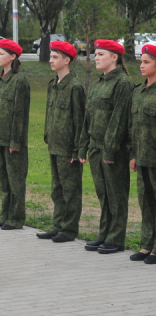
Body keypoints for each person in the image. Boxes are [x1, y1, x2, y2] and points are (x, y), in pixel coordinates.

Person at [80, 39, 134, 254]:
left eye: (101, 54)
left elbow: (119, 121)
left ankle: (116, 238)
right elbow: (88, 117)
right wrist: (84, 145)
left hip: (113, 150)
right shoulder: (99, 82)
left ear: (115, 57)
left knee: (116, 195)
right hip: (96, 147)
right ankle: (104, 233)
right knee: (103, 194)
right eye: (96, 54)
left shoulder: (123, 83)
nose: (96, 57)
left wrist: (110, 150)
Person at [38, 41, 85, 243]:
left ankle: (69, 229)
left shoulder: (75, 87)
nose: (51, 60)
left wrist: (78, 150)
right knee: (57, 189)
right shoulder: (53, 85)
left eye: (55, 57)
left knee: (70, 190)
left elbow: (80, 120)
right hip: (55, 145)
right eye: (51, 56)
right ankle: (57, 225)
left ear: (67, 60)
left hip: (69, 148)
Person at [0, 39, 30, 230]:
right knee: (4, 179)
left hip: (13, 140)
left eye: (2, 53)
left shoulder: (19, 81)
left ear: (13, 57)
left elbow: (20, 115)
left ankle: (16, 217)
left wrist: (15, 141)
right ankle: (5, 215)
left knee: (15, 180)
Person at [130, 44, 156, 264]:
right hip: (143, 156)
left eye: (147, 62)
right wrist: (133, 154)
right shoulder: (138, 91)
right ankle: (147, 245)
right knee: (146, 202)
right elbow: (134, 127)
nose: (141, 65)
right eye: (141, 61)